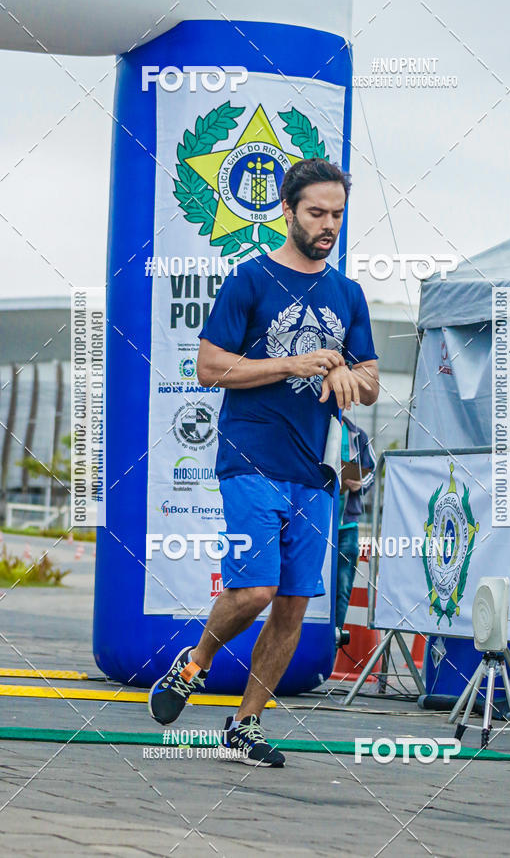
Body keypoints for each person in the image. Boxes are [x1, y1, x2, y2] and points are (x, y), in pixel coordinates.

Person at [148, 157, 379, 767]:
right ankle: (193, 664)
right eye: (316, 213)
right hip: (251, 456)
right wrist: (292, 363)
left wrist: (353, 378)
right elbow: (209, 366)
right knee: (254, 589)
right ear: (287, 210)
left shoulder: (348, 293)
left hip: (317, 471)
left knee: (293, 606)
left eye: (337, 213)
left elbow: (374, 377)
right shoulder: (248, 280)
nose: (328, 224)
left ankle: (245, 726)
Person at [336, 416, 376, 635]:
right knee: (307, 591)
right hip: (319, 526)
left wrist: (360, 485)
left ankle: (332, 646)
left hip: (347, 527)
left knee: (342, 590)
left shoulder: (357, 434)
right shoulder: (315, 427)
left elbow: (375, 468)